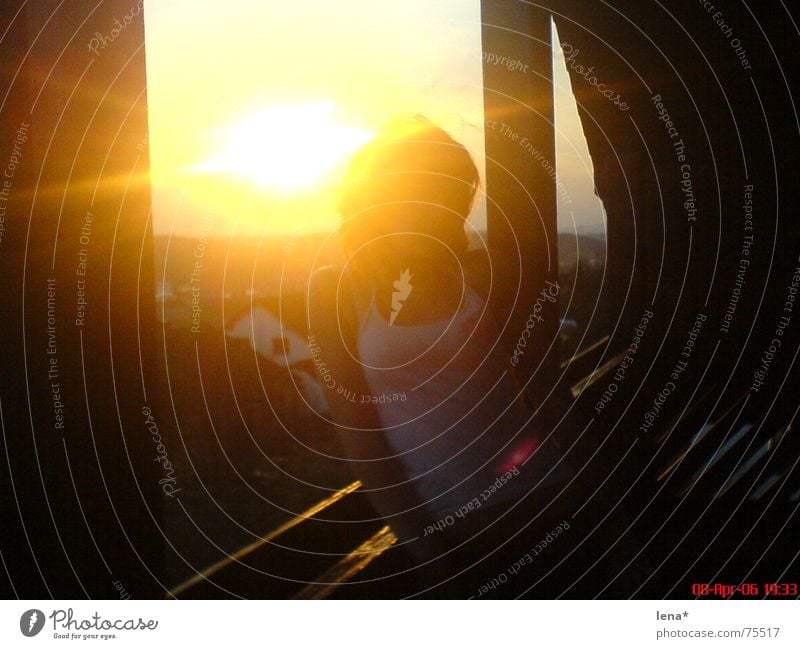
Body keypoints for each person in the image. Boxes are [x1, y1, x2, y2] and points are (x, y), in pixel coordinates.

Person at [308, 115, 575, 595]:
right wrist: (430, 552)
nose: (427, 205)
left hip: (555, 501)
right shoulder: (339, 291)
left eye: (444, 190)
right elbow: (360, 439)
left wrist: (610, 508)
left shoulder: (486, 273)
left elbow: (548, 395)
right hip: (458, 528)